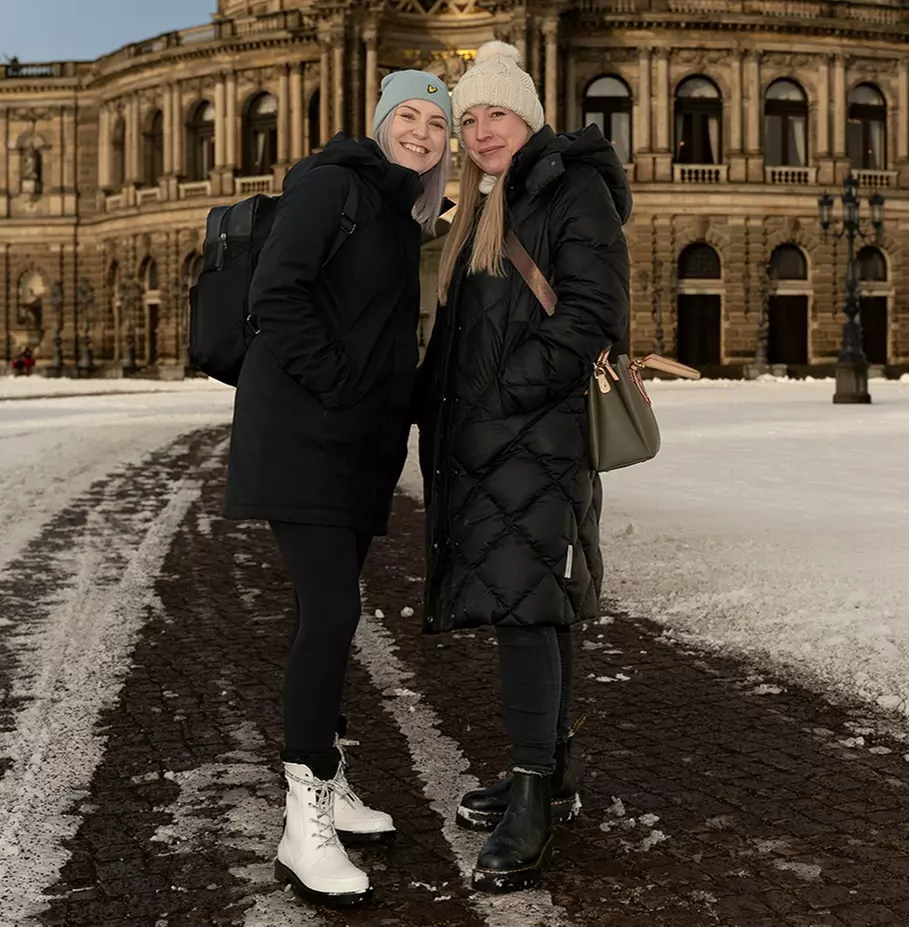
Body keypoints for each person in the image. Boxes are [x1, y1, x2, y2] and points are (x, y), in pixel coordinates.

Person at [223, 70, 453, 909]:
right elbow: (274, 297)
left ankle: (330, 770)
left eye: (438, 124)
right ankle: (302, 817)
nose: (423, 133)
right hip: (303, 436)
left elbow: (382, 342)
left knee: (330, 610)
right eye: (410, 117)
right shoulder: (331, 185)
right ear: (382, 121)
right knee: (330, 613)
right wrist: (343, 392)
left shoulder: (399, 216)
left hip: (352, 446)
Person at [415, 41, 630, 893]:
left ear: (528, 115)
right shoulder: (488, 201)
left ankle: (534, 798)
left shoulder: (566, 189)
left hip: (533, 439)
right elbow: (465, 331)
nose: (477, 132)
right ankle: (549, 772)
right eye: (466, 120)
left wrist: (503, 394)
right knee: (536, 609)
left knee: (525, 614)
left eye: (492, 113)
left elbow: (590, 314)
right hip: (497, 444)